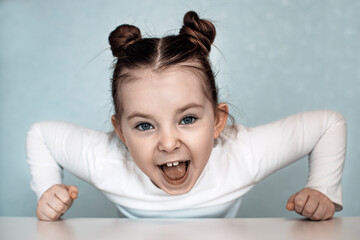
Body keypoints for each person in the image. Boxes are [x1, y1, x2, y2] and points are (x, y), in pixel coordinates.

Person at [26, 11, 346, 221]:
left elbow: (327, 124)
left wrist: (323, 190)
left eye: (188, 119)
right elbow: (42, 135)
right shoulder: (107, 160)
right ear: (120, 133)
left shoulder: (242, 153)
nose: (168, 143)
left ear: (219, 121)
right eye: (144, 125)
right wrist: (47, 189)